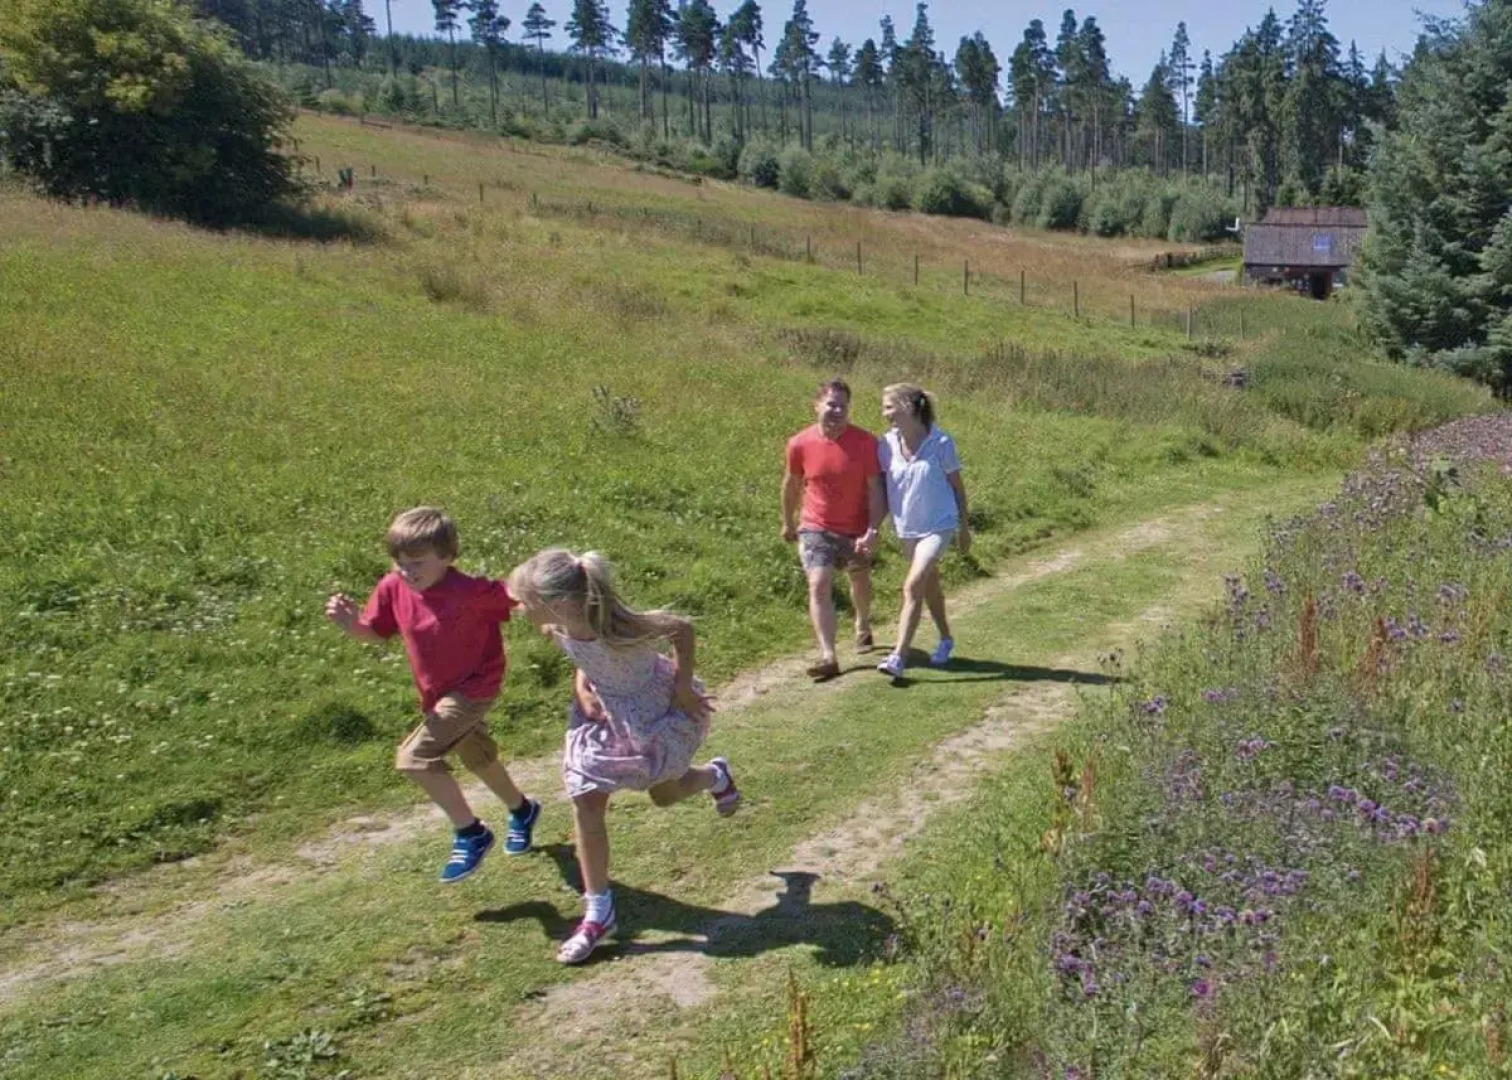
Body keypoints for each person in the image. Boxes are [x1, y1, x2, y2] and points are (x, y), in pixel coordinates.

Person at [508, 548, 740, 965]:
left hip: (652, 713)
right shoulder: (555, 624)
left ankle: (714, 776)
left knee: (665, 794)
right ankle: (599, 911)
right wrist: (582, 688)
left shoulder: (619, 627)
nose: (519, 608)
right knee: (585, 797)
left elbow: (681, 628)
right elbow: (582, 657)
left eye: (526, 600)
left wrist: (684, 685)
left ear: (560, 603)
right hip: (602, 715)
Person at [325, 507, 541, 883]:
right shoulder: (393, 587)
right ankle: (523, 810)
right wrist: (352, 626)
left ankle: (471, 833)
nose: (408, 571)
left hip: (475, 689)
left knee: (414, 758)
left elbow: (523, 598)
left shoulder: (470, 591)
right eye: (400, 562)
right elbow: (377, 633)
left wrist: (567, 592)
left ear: (447, 556)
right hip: (437, 696)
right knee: (478, 758)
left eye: (418, 562)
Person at [782, 379, 886, 681]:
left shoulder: (866, 443)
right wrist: (788, 521)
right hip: (816, 526)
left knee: (859, 579)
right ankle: (828, 655)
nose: (837, 411)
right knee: (818, 583)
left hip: (856, 528)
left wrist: (873, 529)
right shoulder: (799, 443)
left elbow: (876, 490)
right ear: (817, 405)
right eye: (831, 404)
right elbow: (791, 484)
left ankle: (862, 624)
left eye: (843, 406)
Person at [875, 384, 970, 679]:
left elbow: (958, 488)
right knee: (929, 586)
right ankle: (946, 638)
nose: (885, 413)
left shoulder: (941, 442)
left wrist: (964, 529)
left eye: (889, 407)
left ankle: (898, 657)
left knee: (913, 585)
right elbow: (880, 490)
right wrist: (872, 528)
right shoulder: (885, 444)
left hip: (939, 525)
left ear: (908, 406)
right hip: (907, 528)